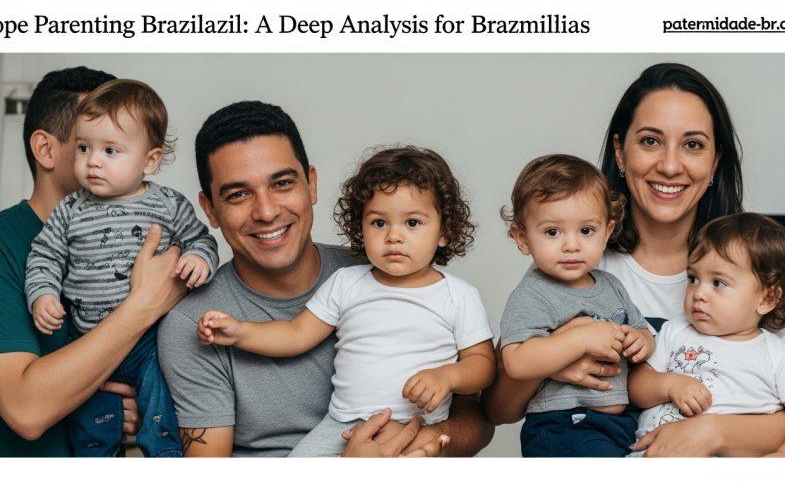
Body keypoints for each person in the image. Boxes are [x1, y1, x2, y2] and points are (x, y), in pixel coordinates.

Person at [157, 101, 495, 457]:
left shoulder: (389, 270)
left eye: (282, 183)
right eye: (239, 194)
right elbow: (295, 334)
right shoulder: (195, 324)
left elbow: (475, 416)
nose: (267, 211)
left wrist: (429, 443)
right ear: (209, 208)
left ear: (312, 184)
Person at [483, 62, 785, 456]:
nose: (671, 165)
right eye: (650, 141)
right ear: (620, 153)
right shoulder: (577, 265)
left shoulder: (759, 264)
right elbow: (498, 410)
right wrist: (558, 356)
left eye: (693, 144)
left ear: (715, 162)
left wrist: (715, 433)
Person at [23, 79, 218, 457]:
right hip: (88, 339)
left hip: (152, 340)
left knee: (161, 403)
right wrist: (42, 294)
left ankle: (164, 455)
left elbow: (202, 240)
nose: (93, 160)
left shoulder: (168, 205)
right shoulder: (70, 210)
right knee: (92, 424)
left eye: (110, 150)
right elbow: (44, 256)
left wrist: (198, 259)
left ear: (150, 161)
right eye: (83, 148)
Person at [498, 154, 654, 456]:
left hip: (618, 425)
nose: (571, 245)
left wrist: (642, 341)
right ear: (522, 237)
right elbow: (516, 362)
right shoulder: (532, 294)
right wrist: (579, 339)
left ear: (607, 232)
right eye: (553, 232)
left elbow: (641, 331)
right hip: (563, 426)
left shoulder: (611, 286)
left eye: (586, 231)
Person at [629, 213, 785, 454]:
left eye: (718, 283)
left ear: (768, 298)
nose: (699, 293)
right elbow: (636, 388)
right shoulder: (676, 330)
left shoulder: (776, 353)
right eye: (693, 278)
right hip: (652, 453)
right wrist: (669, 384)